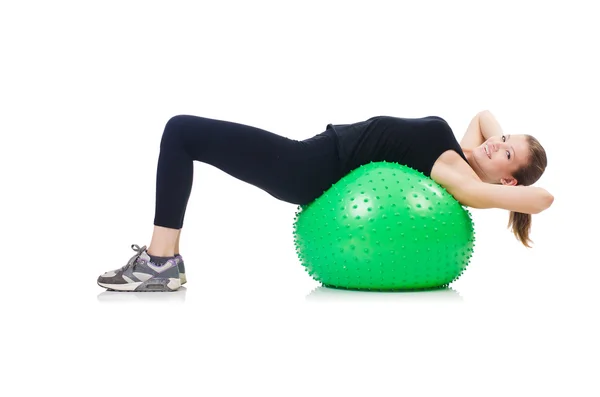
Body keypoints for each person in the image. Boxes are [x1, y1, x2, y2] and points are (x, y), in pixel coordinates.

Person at [97, 110, 552, 292]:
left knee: (181, 131)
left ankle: (161, 262)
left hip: (304, 167)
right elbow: (485, 116)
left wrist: (498, 189)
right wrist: (500, 152)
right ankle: (162, 262)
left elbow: (542, 197)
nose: (495, 143)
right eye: (504, 139)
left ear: (507, 183)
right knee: (182, 132)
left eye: (506, 152)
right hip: (311, 153)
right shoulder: (466, 151)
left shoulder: (457, 175)